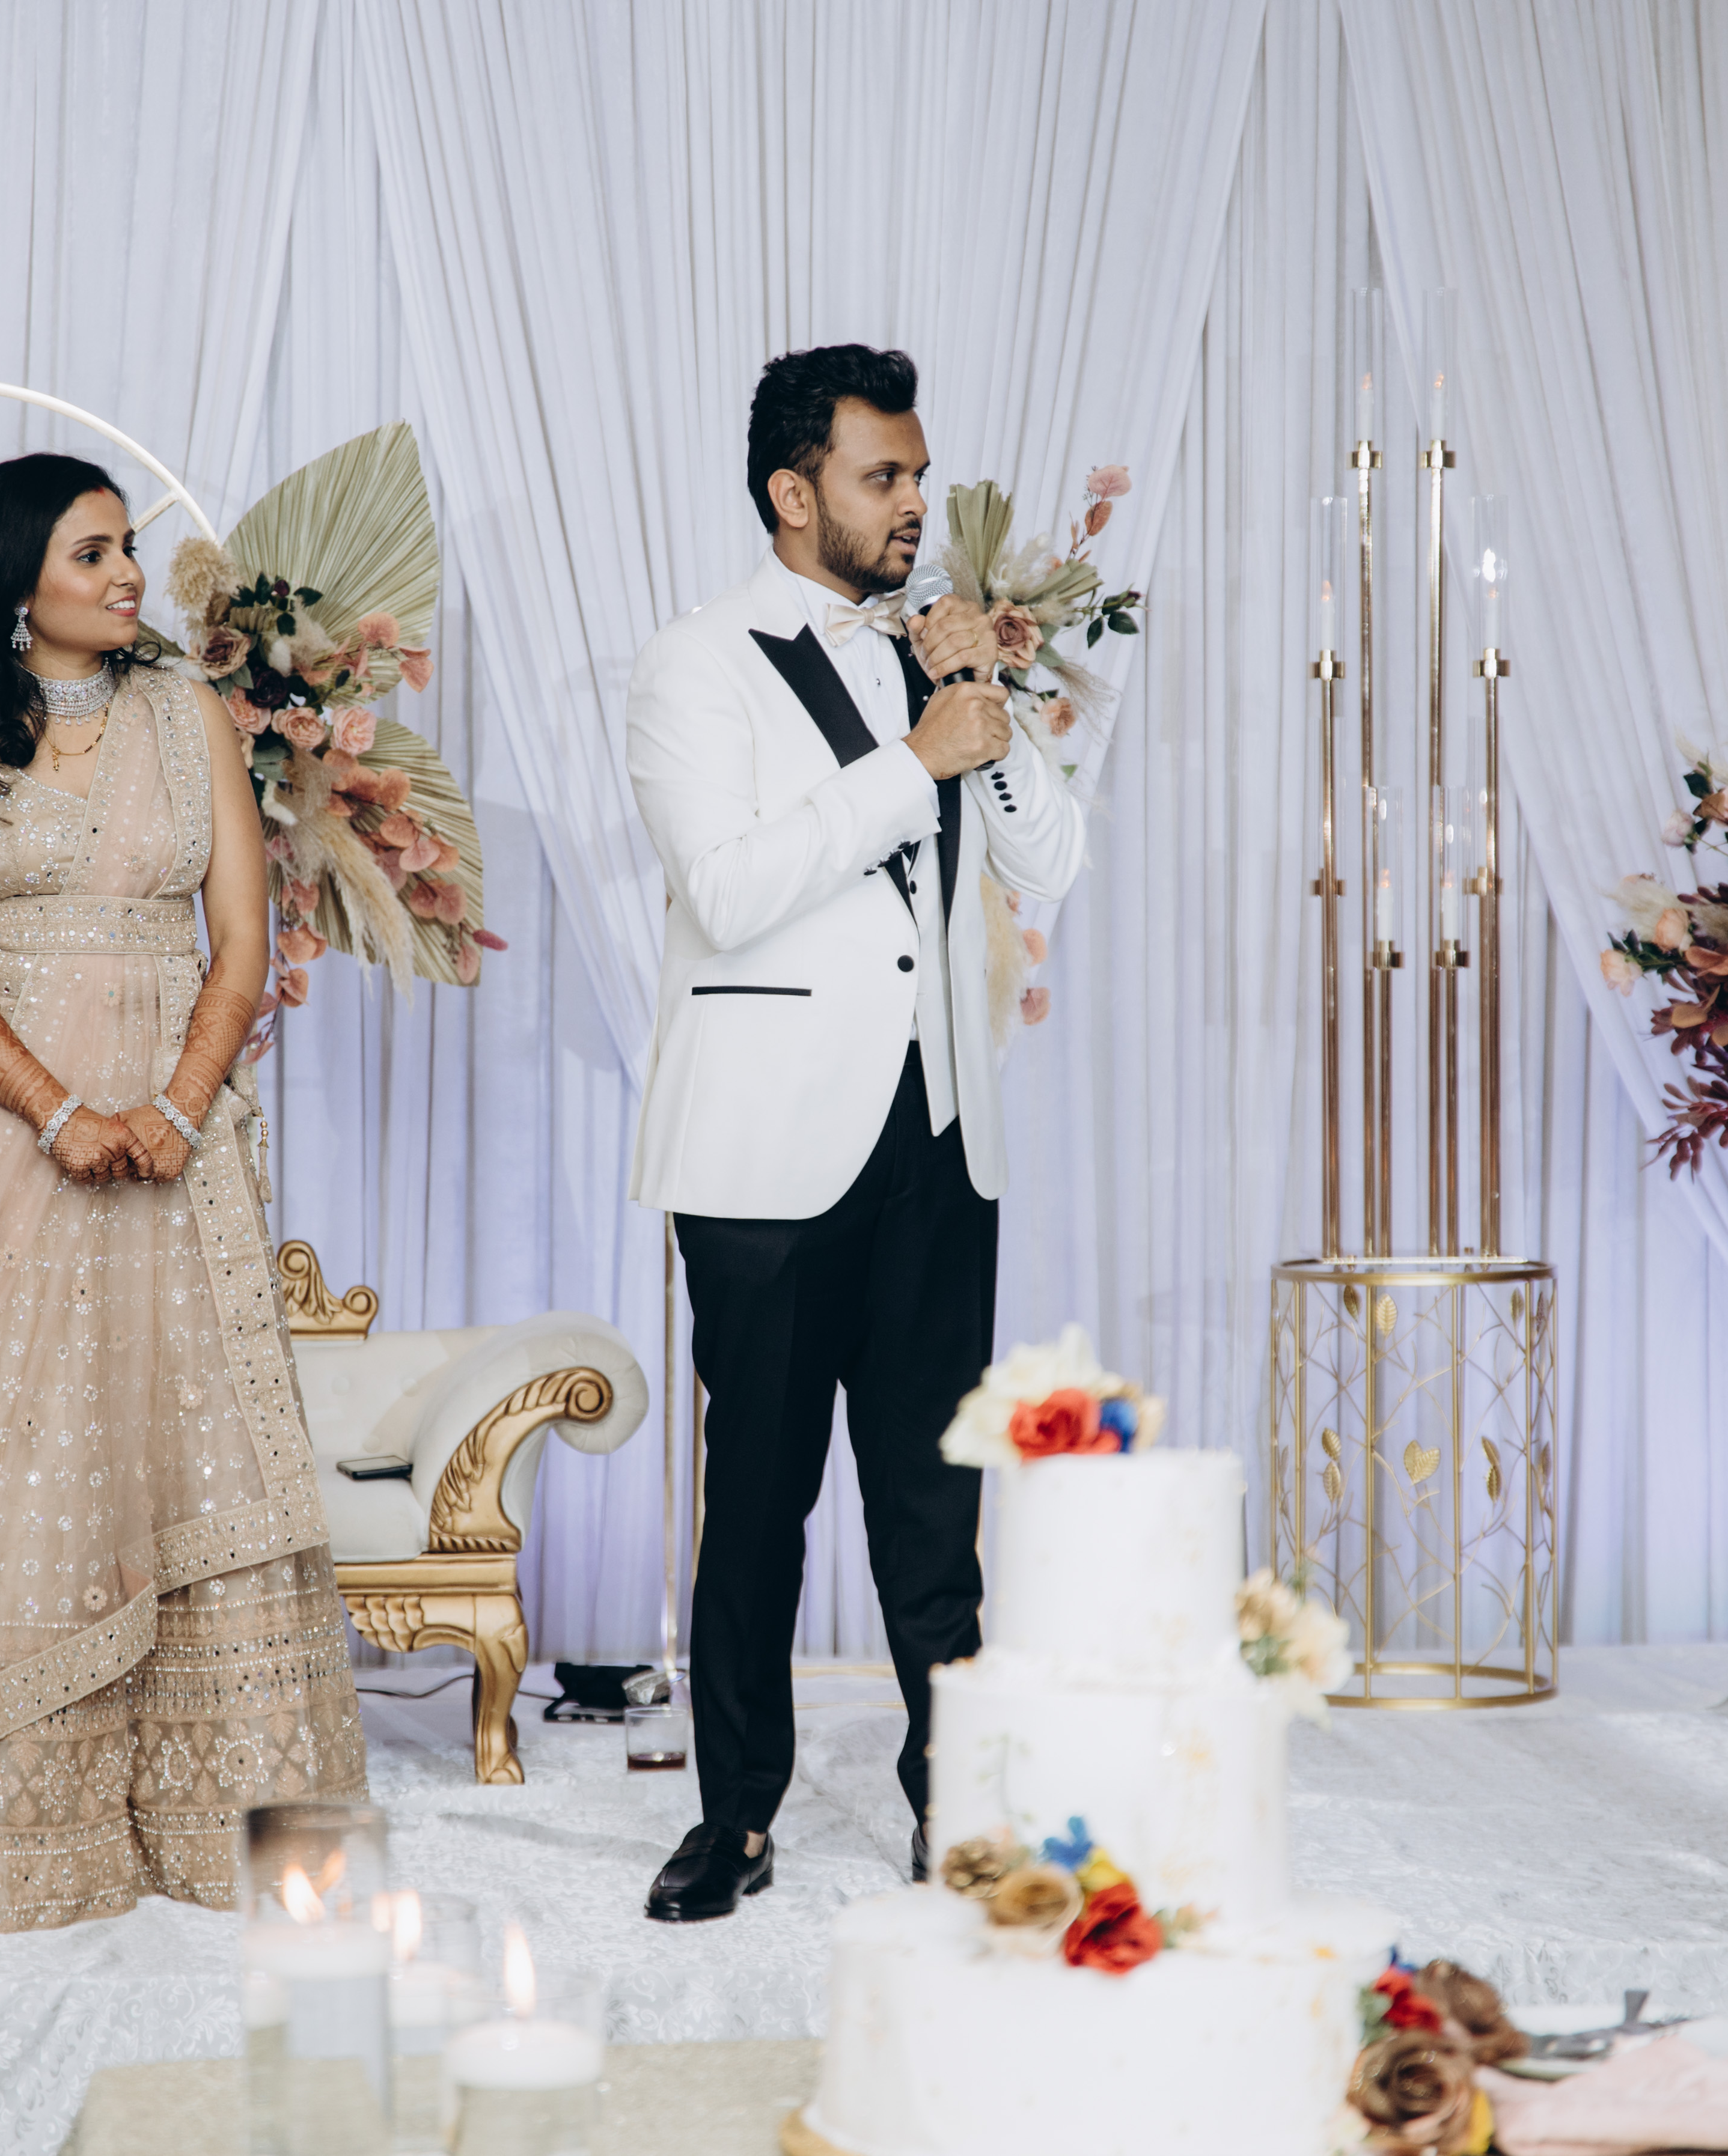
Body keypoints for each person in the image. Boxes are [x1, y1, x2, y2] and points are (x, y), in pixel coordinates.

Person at [0, 452, 365, 1934]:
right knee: (16, 1449)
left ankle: (229, 1830)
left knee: (206, 1449)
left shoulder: (189, 710)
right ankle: (10, 1837)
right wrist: (57, 1111)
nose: (127, 577)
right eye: (93, 553)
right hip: (3, 1136)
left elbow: (241, 943)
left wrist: (176, 1107)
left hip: (177, 1137)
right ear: (16, 577)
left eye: (128, 549)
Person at [624, 346, 1086, 1920]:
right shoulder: (697, 662)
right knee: (758, 1504)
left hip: (936, 1139)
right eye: (882, 476)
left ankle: (955, 1806)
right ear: (791, 490)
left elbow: (1050, 861)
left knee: (932, 1509)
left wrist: (981, 710)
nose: (912, 505)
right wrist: (911, 764)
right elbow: (727, 888)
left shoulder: (934, 660)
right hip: (763, 1149)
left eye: (916, 475)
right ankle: (734, 1818)